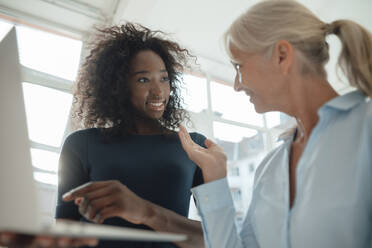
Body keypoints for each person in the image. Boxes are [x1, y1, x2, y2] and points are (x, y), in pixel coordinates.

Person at [176, 0, 372, 247]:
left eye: (239, 66)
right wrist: (215, 180)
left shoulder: (366, 128)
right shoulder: (269, 168)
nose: (236, 85)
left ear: (282, 56)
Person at [56, 23, 208, 248]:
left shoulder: (194, 146)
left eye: (164, 78)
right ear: (118, 86)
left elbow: (219, 238)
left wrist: (147, 211)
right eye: (143, 80)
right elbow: (64, 232)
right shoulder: (81, 144)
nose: (158, 91)